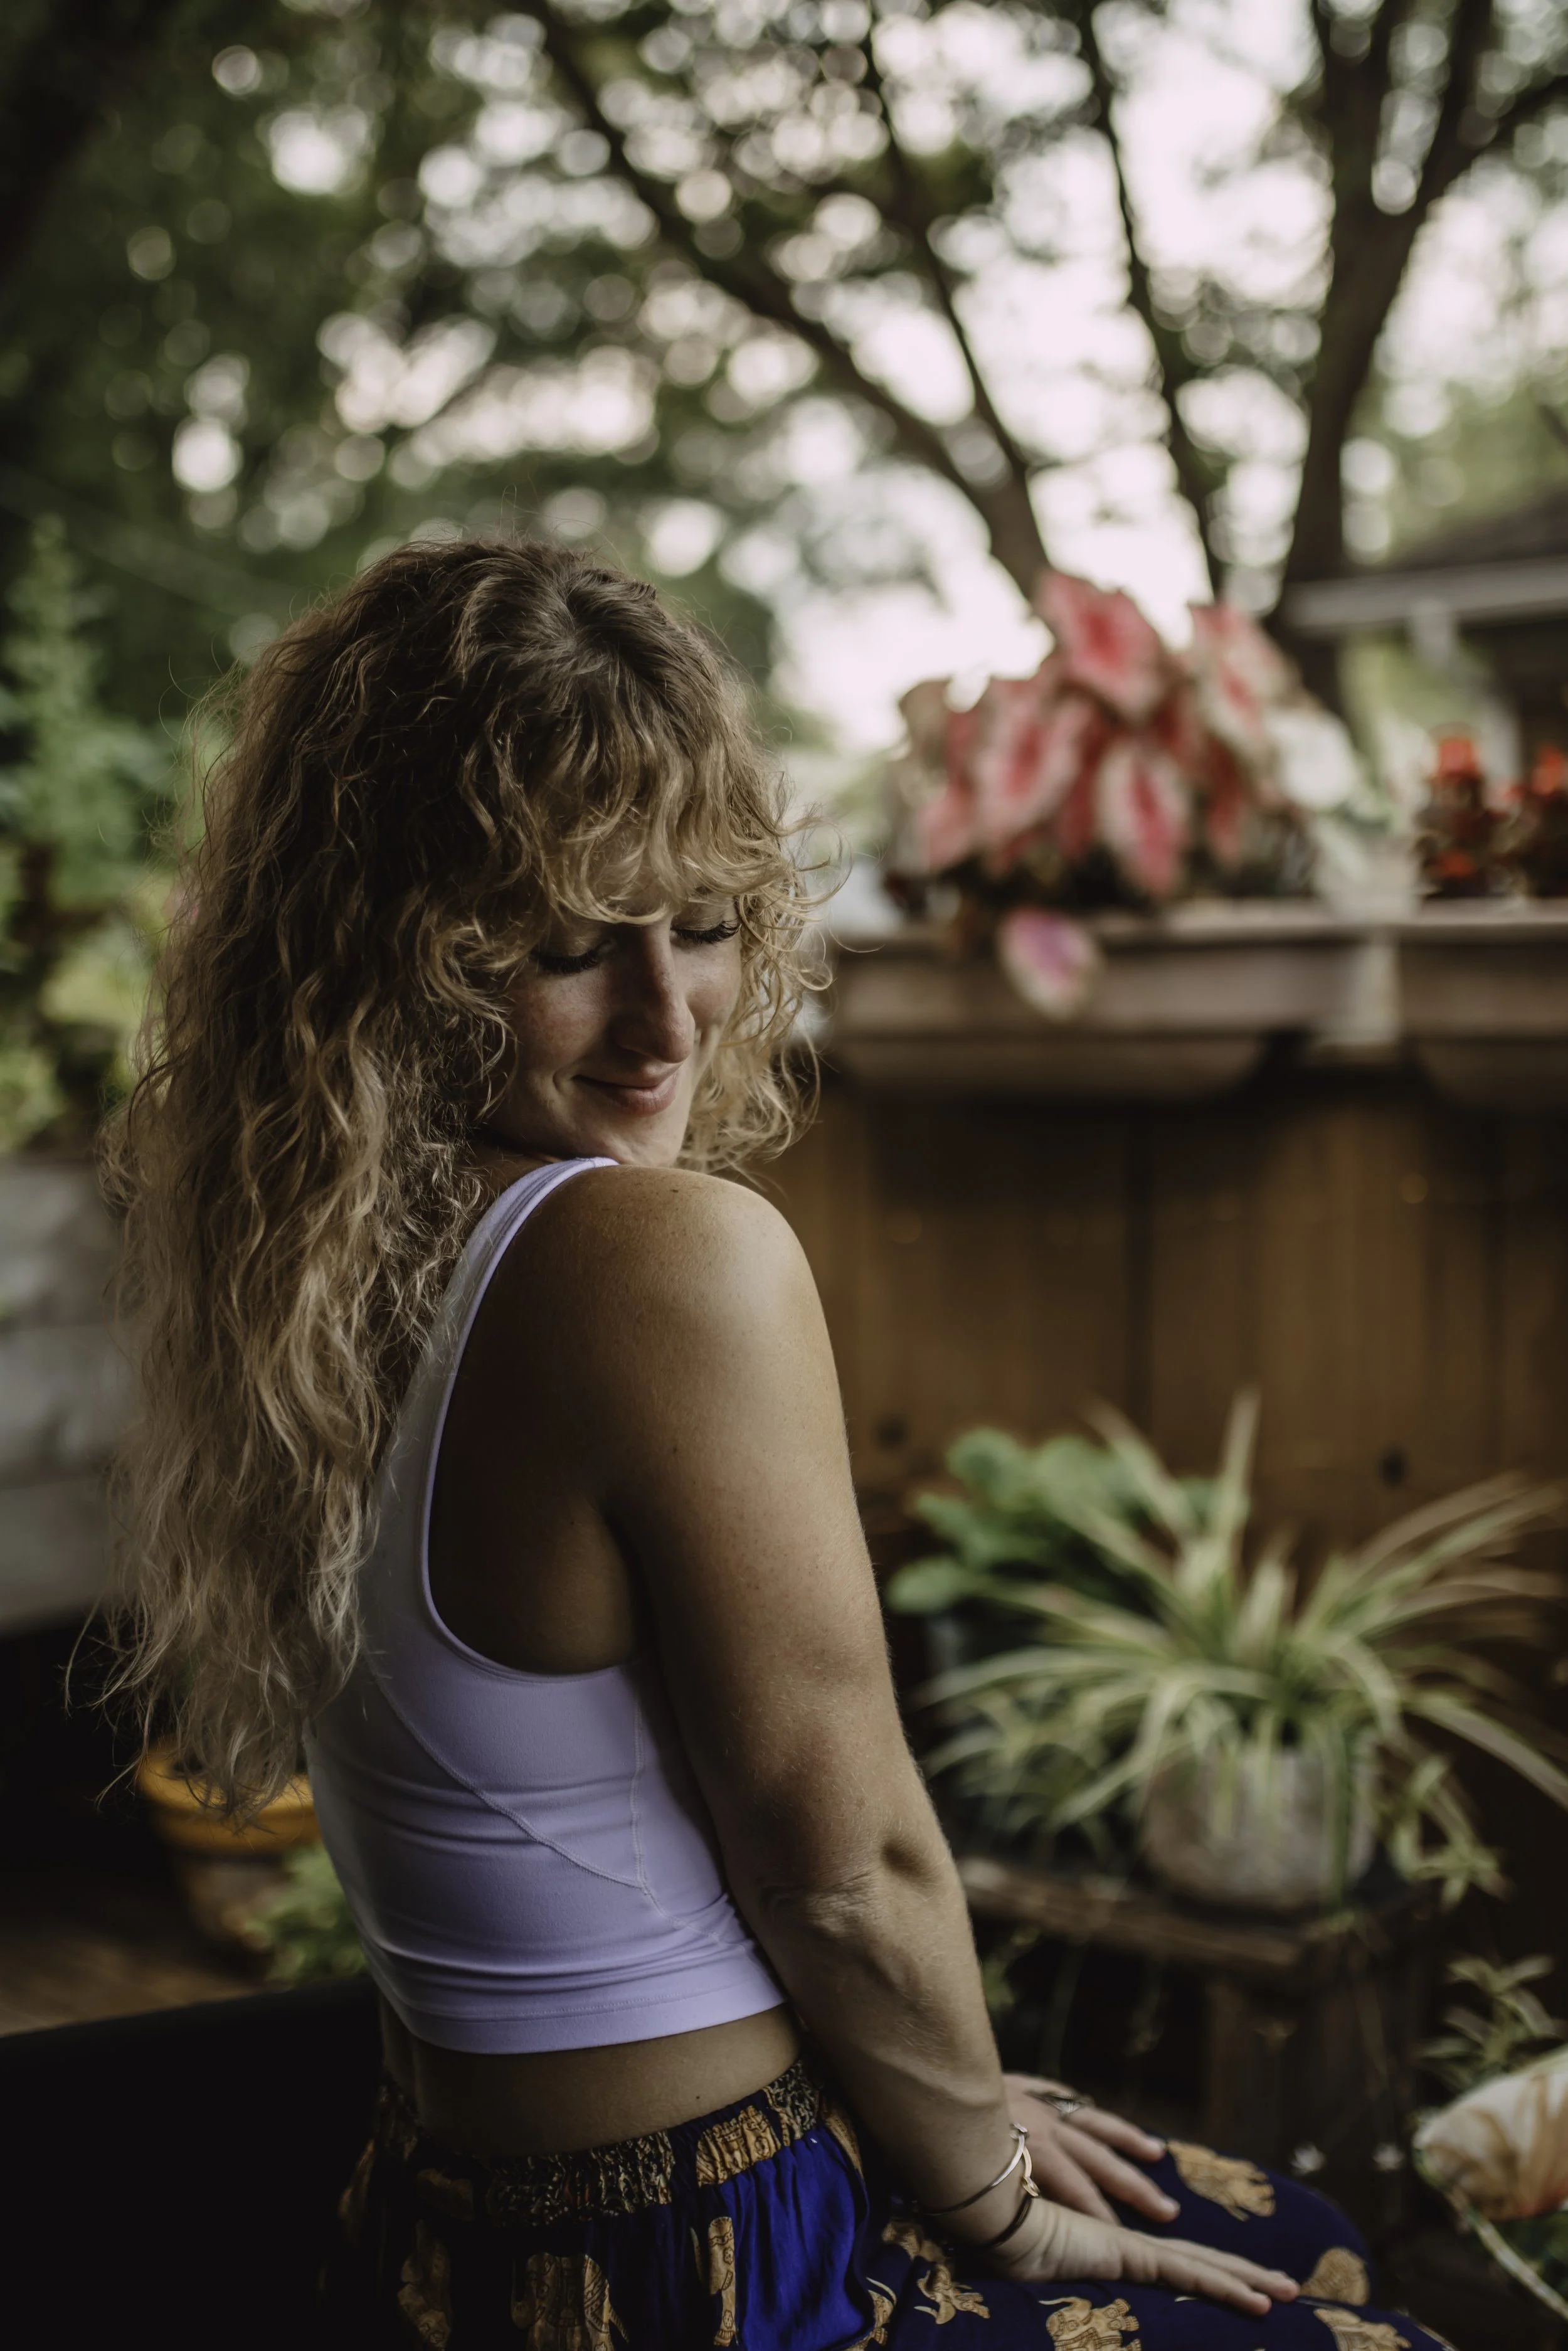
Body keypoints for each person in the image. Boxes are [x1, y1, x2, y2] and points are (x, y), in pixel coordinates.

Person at [104, 539, 1449, 2350]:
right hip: (719, 2262)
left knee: (1278, 2220)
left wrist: (955, 2114)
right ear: (400, 950)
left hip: (450, 2236)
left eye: (708, 925)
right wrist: (986, 2196)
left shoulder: (303, 1267)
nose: (668, 1021)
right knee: (1348, 2286)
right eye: (573, 948)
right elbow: (841, 1864)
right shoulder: (651, 1258)